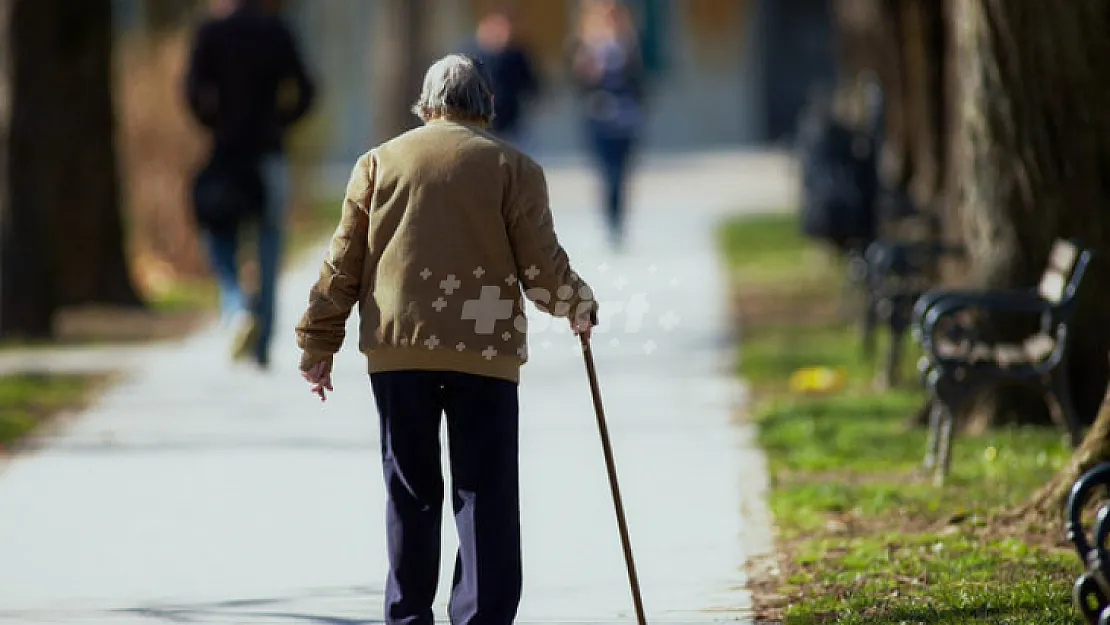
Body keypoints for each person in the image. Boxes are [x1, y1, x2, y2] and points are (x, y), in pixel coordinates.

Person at [295, 54, 598, 625]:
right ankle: (481, 617)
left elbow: (343, 264)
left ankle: (408, 617)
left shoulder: (378, 164)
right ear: (486, 106)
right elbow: (542, 266)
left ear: (426, 105)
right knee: (485, 493)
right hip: (483, 349)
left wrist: (318, 343)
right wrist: (577, 306)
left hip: (397, 346)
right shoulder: (512, 167)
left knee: (410, 493)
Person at [185, 0, 316, 368]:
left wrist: (213, 121)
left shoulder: (210, 32)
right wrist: (280, 122)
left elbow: (193, 91)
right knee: (269, 246)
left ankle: (236, 303)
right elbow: (306, 90)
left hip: (225, 153)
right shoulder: (276, 30)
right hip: (268, 155)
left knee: (216, 231)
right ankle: (262, 347)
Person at [568, 0, 646, 250]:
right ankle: (610, 222)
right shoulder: (584, 48)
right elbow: (576, 83)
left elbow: (639, 83)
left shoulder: (629, 47)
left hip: (625, 118)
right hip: (599, 117)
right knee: (607, 171)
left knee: (622, 173)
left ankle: (619, 220)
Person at [464, 8, 540, 146]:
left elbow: (529, 82)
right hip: (477, 115)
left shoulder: (516, 54)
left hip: (507, 117)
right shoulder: (470, 52)